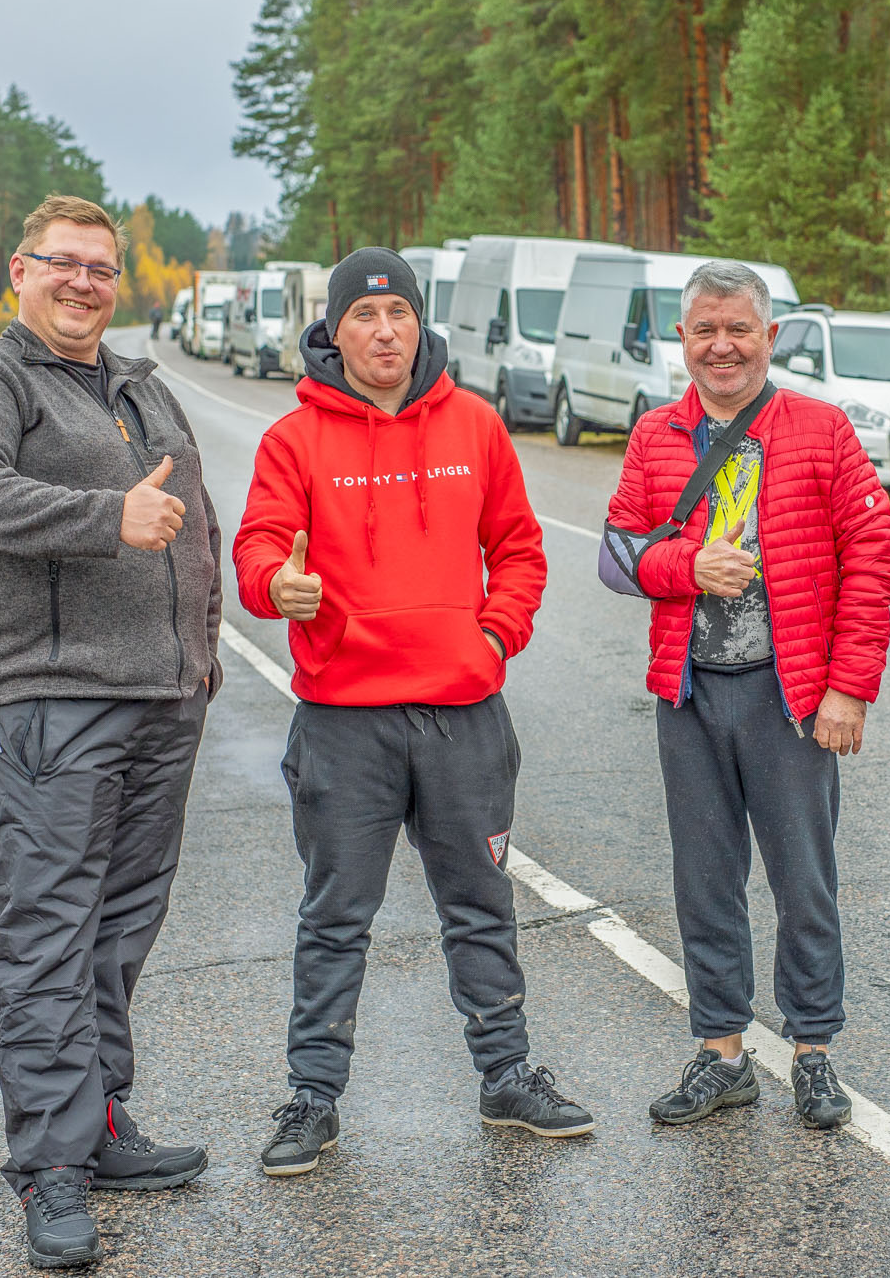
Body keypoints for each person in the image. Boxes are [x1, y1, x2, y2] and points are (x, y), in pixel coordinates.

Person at [232, 247, 595, 1179]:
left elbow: (518, 549)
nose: (383, 332)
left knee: (478, 903)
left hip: (462, 713)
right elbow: (258, 550)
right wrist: (281, 584)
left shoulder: (473, 426)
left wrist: (493, 638)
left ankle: (506, 1074)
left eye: (398, 316)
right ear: (336, 328)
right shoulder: (294, 440)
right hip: (343, 721)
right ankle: (313, 1096)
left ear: (419, 324)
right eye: (363, 317)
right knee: (334, 914)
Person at [0, 194, 223, 1270]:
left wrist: (201, 654)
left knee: (117, 925)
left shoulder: (137, 383)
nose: (85, 281)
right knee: (46, 935)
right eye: (64, 264)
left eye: (101, 267)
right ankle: (50, 1168)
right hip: (43, 695)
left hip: (158, 696)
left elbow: (192, 521)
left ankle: (97, 1125)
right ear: (19, 271)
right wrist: (107, 520)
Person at [599, 260, 890, 1131]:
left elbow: (873, 560)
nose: (721, 346)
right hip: (689, 694)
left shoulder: (820, 430)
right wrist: (683, 566)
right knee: (705, 881)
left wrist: (848, 687)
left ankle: (813, 1051)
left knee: (803, 881)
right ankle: (722, 1054)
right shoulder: (656, 434)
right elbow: (616, 556)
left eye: (738, 329)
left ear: (770, 337)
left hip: (790, 695)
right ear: (682, 340)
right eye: (704, 330)